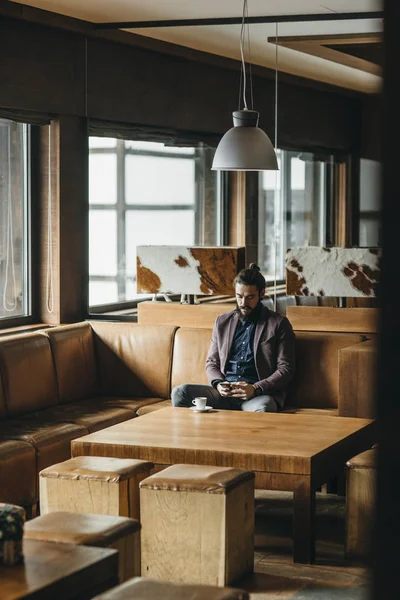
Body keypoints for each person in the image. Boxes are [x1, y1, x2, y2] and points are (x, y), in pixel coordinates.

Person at [171, 264, 296, 412]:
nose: (244, 303)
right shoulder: (222, 321)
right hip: (224, 392)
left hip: (256, 395)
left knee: (264, 407)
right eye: (239, 296)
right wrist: (218, 384)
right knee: (180, 393)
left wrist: (256, 388)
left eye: (250, 297)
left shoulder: (278, 324)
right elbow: (212, 362)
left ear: (261, 293)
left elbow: (286, 369)